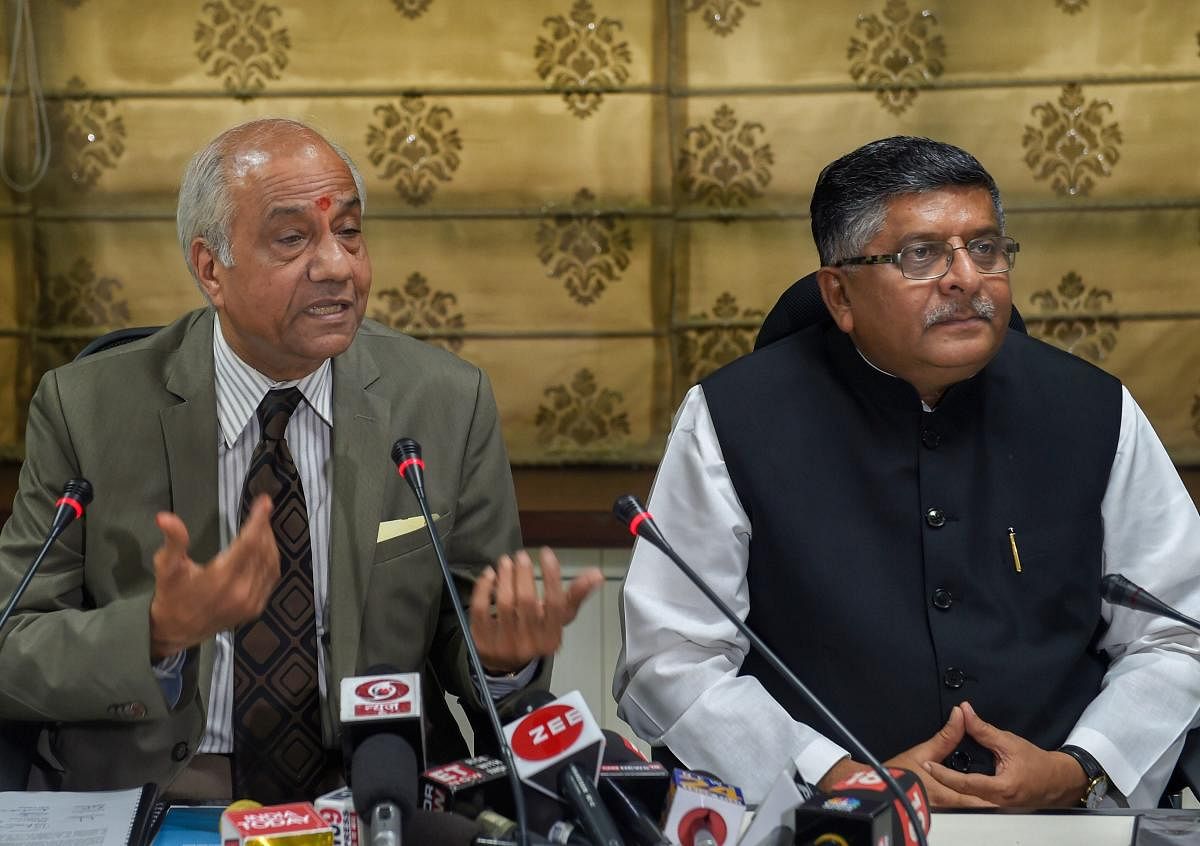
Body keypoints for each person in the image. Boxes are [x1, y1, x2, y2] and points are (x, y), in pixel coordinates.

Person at [0, 118, 602, 800]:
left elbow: (470, 632)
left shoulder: (445, 403)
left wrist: (501, 663)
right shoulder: (86, 408)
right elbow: (11, 641)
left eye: (348, 232)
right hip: (164, 794)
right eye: (293, 239)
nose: (338, 266)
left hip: (371, 791)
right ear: (210, 269)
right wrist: (154, 634)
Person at [614, 136, 1200, 809]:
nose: (966, 279)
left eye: (985, 248)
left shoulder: (1094, 409)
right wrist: (834, 775)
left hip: (1054, 821)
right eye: (922, 255)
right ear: (839, 295)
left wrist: (1079, 766)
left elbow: (1177, 632)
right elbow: (673, 658)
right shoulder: (733, 418)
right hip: (824, 822)